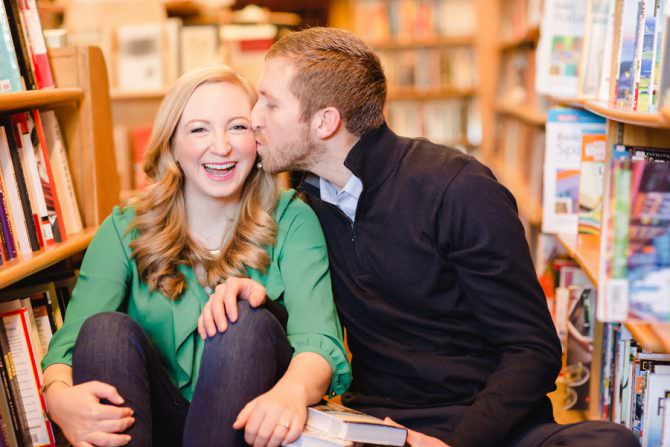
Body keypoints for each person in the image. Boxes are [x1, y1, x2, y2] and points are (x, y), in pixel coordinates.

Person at [246, 27, 640, 447]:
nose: (254, 118)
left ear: (325, 122)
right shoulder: (305, 209)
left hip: (486, 427)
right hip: (378, 427)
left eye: (270, 103)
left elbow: (533, 351)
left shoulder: (458, 188)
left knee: (609, 442)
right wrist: (250, 292)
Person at [40, 64, 351, 447]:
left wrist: (291, 393)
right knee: (103, 330)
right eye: (199, 129)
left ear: (258, 140)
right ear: (171, 144)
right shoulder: (124, 227)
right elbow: (67, 347)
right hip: (149, 424)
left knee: (243, 318)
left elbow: (319, 342)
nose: (221, 146)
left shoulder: (291, 218)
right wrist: (58, 399)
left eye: (237, 127)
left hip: (250, 425)